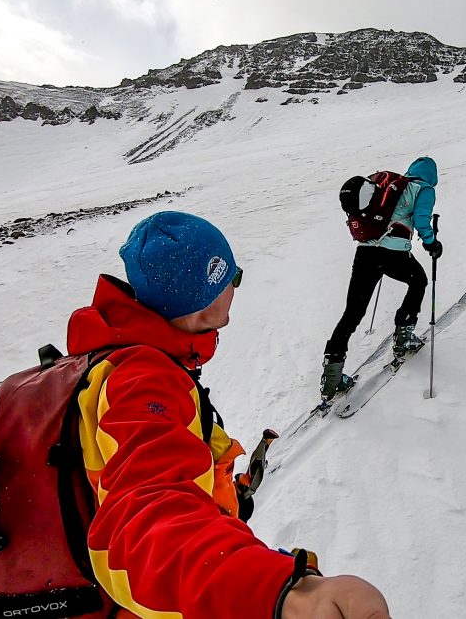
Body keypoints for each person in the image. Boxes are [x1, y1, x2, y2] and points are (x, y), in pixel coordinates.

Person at [68, 211, 390, 618]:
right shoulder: (145, 382)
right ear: (205, 299)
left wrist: (224, 496)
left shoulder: (131, 360)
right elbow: (146, 523)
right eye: (232, 277)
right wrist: (281, 593)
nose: (236, 286)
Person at [321, 156, 443, 404]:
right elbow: (421, 221)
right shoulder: (424, 189)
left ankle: (331, 376)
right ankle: (404, 335)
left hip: (365, 252)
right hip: (392, 253)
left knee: (352, 312)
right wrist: (432, 243)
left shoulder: (393, 186)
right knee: (418, 281)